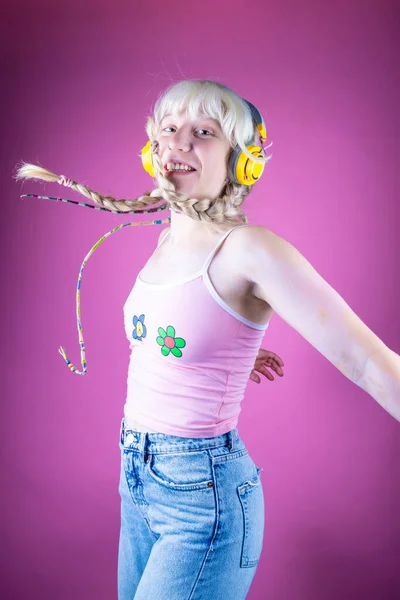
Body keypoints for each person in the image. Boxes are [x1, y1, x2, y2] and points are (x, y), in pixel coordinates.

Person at [14, 79, 399, 600]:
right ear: (151, 149)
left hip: (203, 497)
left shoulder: (250, 249)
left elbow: (369, 363)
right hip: (137, 480)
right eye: (169, 129)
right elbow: (185, 327)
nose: (179, 142)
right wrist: (220, 350)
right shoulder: (167, 240)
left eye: (203, 132)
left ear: (243, 161)